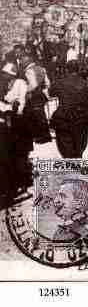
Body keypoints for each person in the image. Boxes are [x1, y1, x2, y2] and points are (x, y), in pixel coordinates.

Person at [49, 60, 88, 158]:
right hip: (80, 118)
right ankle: (77, 163)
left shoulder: (60, 82)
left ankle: (70, 164)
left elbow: (51, 92)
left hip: (63, 117)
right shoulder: (85, 83)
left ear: (67, 69)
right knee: (79, 145)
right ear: (79, 69)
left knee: (65, 146)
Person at [0, 58, 29, 202]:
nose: (5, 77)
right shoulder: (7, 84)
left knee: (17, 155)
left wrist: (12, 108)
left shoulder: (20, 83)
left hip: (18, 122)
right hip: (8, 121)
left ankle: (20, 185)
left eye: (7, 75)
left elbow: (21, 102)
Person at [20, 54, 52, 144]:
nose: (21, 62)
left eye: (22, 61)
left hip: (34, 95)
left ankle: (41, 136)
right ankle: (43, 135)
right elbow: (48, 82)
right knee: (40, 114)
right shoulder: (41, 69)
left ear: (27, 61)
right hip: (41, 94)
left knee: (35, 114)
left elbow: (33, 84)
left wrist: (24, 90)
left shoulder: (29, 71)